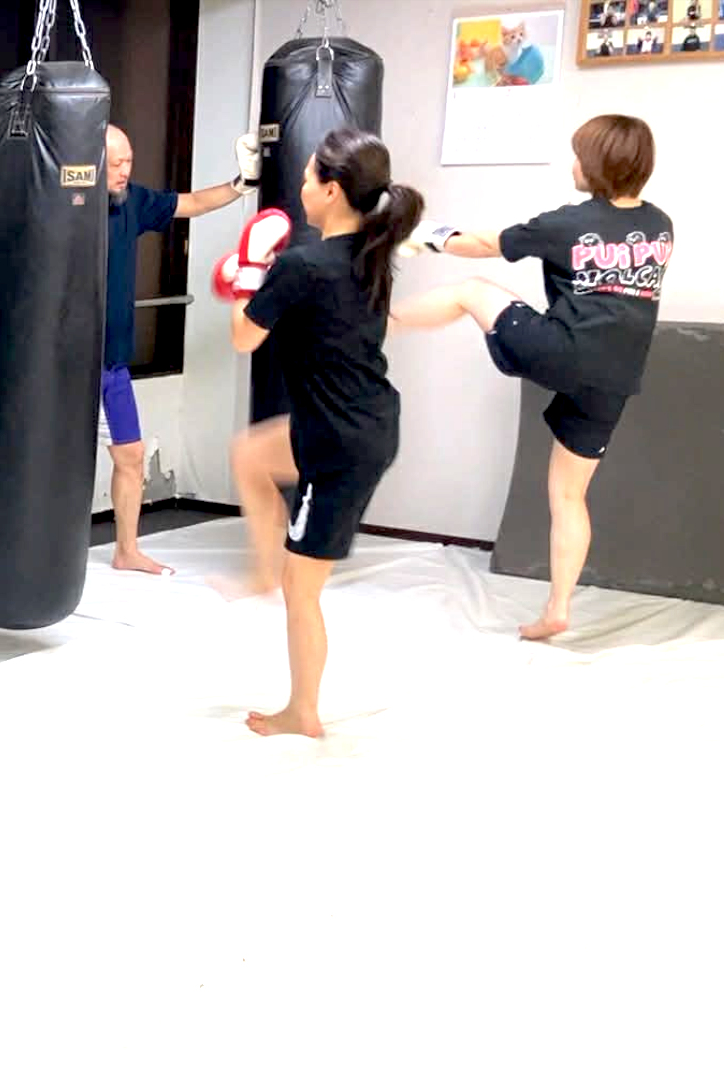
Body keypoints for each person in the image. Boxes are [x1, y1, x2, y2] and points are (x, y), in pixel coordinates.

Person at [392, 115, 672, 641]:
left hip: (562, 351)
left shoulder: (568, 223)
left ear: (596, 165)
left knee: (472, 290)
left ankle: (374, 326)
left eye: (579, 155)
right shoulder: (660, 226)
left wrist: (427, 235)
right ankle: (558, 610)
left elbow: (482, 244)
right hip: (615, 376)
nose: (573, 163)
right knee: (569, 496)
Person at [212, 128, 423, 738]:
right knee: (251, 456)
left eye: (308, 178)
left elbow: (243, 337)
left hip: (338, 442)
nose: (301, 186)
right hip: (357, 421)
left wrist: (248, 274)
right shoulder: (371, 254)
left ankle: (303, 711)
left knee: (301, 589)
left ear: (331, 191)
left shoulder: (303, 265)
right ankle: (264, 570)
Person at [101, 124, 262, 574]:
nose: (124, 170)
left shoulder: (132, 200)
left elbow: (190, 204)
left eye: (128, 161)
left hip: (112, 362)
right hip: (64, 364)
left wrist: (242, 184)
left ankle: (126, 550)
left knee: (131, 455)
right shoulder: (62, 207)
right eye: (115, 164)